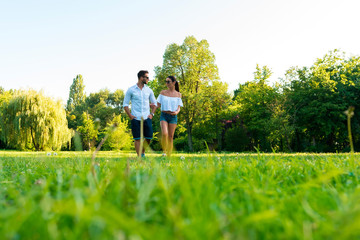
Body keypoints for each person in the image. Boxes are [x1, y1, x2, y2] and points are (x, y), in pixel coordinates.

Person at [123, 70, 156, 157]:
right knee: (137, 139)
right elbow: (125, 105)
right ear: (141, 78)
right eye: (147, 77)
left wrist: (152, 114)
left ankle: (142, 152)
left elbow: (155, 104)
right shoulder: (131, 90)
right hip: (135, 117)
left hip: (147, 117)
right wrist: (130, 116)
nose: (148, 79)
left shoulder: (149, 90)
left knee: (149, 137)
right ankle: (140, 157)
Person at [156, 76, 183, 156]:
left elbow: (179, 108)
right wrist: (150, 106)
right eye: (166, 81)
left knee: (171, 137)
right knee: (165, 134)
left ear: (174, 82)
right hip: (164, 115)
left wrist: (176, 112)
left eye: (168, 81)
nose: (166, 83)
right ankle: (164, 152)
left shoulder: (178, 94)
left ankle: (169, 154)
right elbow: (157, 105)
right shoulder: (163, 93)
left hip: (173, 116)